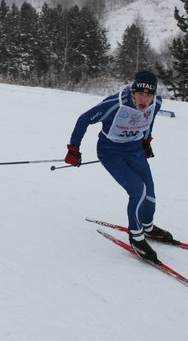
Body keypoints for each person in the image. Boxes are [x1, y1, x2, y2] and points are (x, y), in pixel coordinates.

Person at [64, 70, 172, 263]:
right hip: (111, 152)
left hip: (135, 150)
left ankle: (148, 227)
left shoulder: (157, 104)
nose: (144, 99)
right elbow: (84, 119)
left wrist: (146, 142)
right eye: (140, 93)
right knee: (137, 190)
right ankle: (136, 237)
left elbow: (149, 121)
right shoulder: (115, 104)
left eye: (149, 95)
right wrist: (74, 149)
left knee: (150, 192)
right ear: (133, 91)